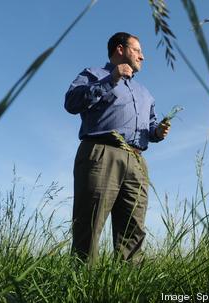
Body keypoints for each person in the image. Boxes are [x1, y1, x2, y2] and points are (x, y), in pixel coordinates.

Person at [64, 32, 170, 263]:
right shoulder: (94, 74)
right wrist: (111, 79)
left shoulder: (145, 94)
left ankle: (127, 288)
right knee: (89, 224)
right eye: (137, 50)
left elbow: (150, 126)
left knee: (134, 228)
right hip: (102, 153)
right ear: (120, 49)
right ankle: (83, 286)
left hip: (137, 160)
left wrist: (157, 132)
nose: (142, 57)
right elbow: (72, 103)